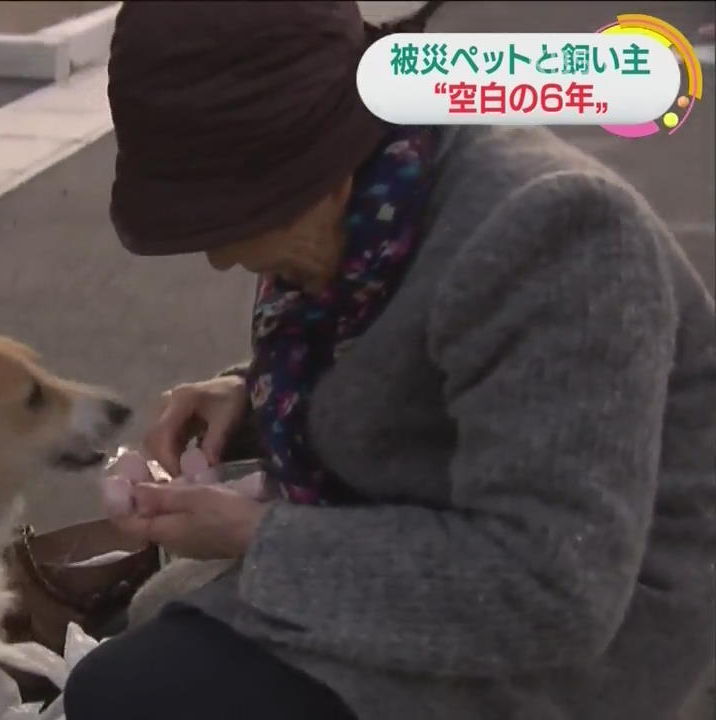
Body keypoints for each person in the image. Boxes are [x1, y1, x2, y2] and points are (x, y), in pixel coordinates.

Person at [63, 2, 716, 719]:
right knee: (143, 646)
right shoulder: (370, 198)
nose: (221, 256)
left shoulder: (557, 233)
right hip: (422, 541)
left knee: (133, 695)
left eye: (232, 215)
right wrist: (247, 395)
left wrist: (254, 534)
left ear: (324, 160)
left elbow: (552, 591)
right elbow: (415, 367)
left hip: (580, 641)